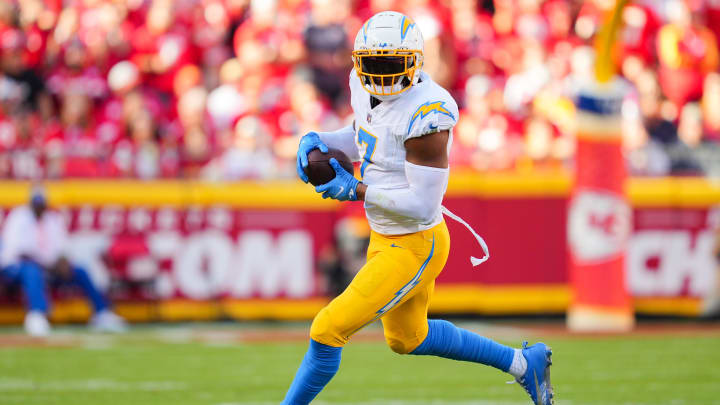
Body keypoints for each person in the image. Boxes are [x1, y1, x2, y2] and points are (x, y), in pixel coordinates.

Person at [285, 11, 553, 405]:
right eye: (373, 64)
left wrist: (356, 189)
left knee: (327, 328)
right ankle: (522, 363)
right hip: (385, 233)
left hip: (415, 242)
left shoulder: (428, 114)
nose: (381, 75)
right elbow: (365, 135)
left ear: (414, 62)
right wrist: (319, 139)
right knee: (408, 338)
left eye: (392, 64)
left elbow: (422, 204)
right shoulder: (363, 86)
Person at [0, 187, 126, 336]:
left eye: (42, 203)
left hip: (47, 268)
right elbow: (20, 253)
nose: (39, 206)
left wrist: (63, 262)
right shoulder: (19, 217)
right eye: (36, 203)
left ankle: (102, 313)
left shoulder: (52, 220)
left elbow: (61, 249)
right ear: (30, 203)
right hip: (15, 268)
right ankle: (37, 315)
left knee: (79, 271)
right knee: (32, 270)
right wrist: (48, 264)